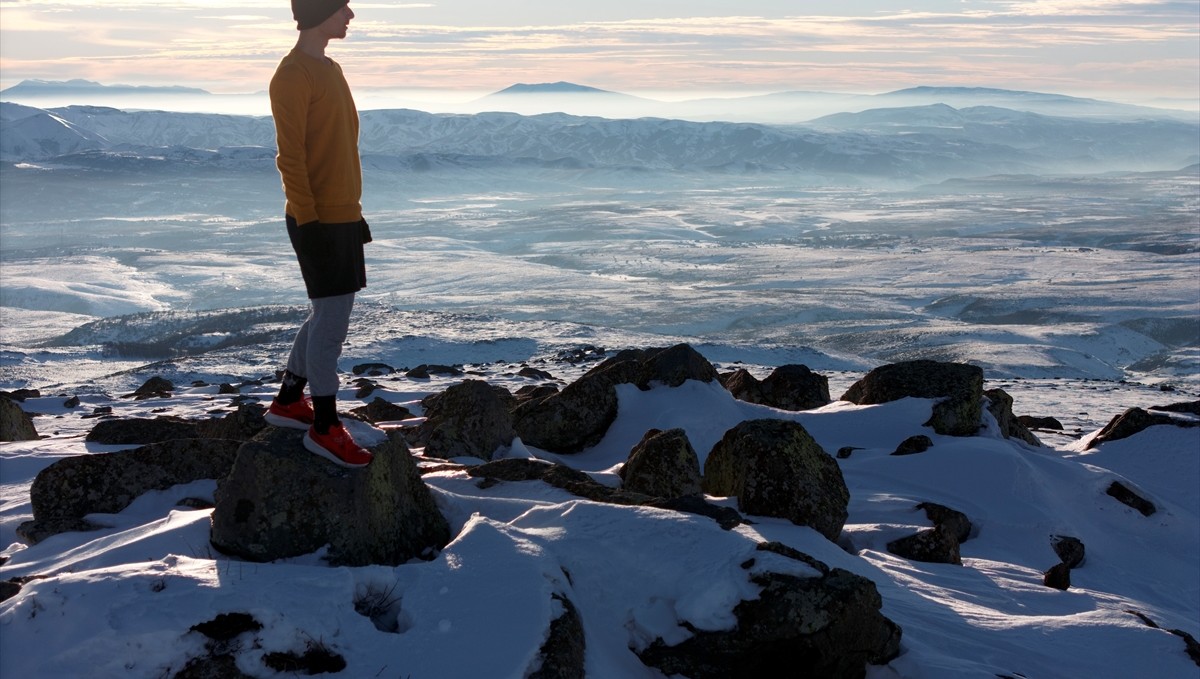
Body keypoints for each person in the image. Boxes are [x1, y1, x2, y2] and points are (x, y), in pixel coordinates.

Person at [263, 0, 373, 467]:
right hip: (319, 219)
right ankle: (325, 427)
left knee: (325, 313)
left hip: (341, 214)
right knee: (332, 323)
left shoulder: (331, 68)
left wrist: (351, 212)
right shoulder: (292, 75)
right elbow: (290, 156)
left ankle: (290, 400)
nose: (350, 16)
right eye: (342, 7)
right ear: (318, 12)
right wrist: (310, 222)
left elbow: (337, 149)